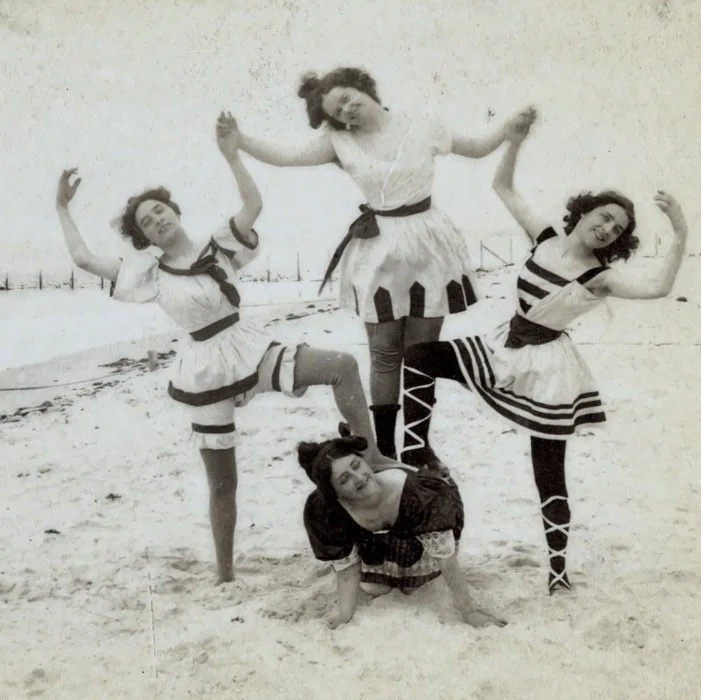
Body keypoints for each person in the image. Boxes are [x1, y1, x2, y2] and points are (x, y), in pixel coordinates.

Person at [54, 113, 398, 585]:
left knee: (342, 365)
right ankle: (225, 573)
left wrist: (231, 153)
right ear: (144, 238)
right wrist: (62, 209)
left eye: (159, 210)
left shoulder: (218, 246)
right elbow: (82, 258)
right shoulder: (148, 274)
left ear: (174, 212)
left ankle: (375, 456)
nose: (156, 220)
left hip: (249, 346)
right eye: (146, 222)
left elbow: (253, 202)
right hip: (204, 370)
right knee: (223, 482)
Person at [399, 112, 690, 594]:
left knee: (548, 469)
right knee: (420, 357)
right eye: (604, 217)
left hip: (549, 370)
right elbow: (504, 186)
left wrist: (680, 233)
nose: (607, 229)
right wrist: (512, 140)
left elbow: (659, 289)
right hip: (503, 345)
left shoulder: (600, 276)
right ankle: (415, 450)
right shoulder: (547, 237)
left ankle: (558, 571)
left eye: (616, 229)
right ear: (585, 212)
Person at [228, 67, 535, 461]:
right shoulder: (339, 142)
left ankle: (418, 446)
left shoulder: (423, 126)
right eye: (338, 110)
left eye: (346, 97)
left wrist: (509, 131)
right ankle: (385, 448)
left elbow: (476, 147)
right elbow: (286, 158)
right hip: (378, 251)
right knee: (385, 352)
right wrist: (239, 142)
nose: (347, 109)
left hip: (428, 244)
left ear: (362, 87)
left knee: (422, 351)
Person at [298, 434, 507, 628]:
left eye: (356, 465)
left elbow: (446, 559)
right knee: (375, 588)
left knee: (414, 587)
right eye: (344, 479)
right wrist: (344, 614)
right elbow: (347, 569)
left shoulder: (419, 495)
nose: (358, 477)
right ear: (335, 493)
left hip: (424, 529)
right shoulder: (326, 509)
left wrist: (469, 613)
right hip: (383, 538)